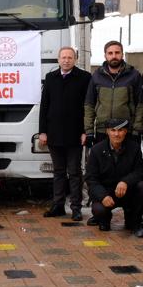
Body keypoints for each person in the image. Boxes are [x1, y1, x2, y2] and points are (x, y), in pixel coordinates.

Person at [38, 47, 91, 221]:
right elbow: (44, 106)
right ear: (58, 59)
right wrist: (43, 131)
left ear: (75, 59)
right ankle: (58, 205)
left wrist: (85, 131)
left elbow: (88, 107)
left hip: (75, 134)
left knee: (75, 172)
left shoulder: (84, 78)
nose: (66, 60)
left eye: (70, 57)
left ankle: (76, 207)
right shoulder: (51, 78)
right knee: (58, 172)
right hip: (54, 134)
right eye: (63, 57)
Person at [85, 118, 143, 231]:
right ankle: (104, 219)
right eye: (113, 130)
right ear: (107, 131)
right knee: (99, 210)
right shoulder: (96, 150)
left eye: (120, 130)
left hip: (127, 191)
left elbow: (139, 171)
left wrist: (125, 181)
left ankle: (132, 217)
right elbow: (91, 178)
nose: (116, 134)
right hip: (106, 191)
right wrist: (103, 196)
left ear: (126, 131)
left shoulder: (134, 148)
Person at [83, 40, 143, 145]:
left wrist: (136, 130)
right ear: (105, 55)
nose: (114, 56)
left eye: (117, 52)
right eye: (110, 53)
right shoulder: (97, 76)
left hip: (125, 130)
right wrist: (89, 131)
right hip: (102, 131)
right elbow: (89, 105)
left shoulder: (133, 75)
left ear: (122, 54)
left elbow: (140, 105)